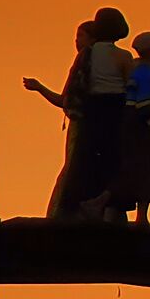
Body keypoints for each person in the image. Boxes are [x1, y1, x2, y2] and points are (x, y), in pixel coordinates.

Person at [65, 8, 133, 220]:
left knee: (87, 161)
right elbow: (131, 85)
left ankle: (82, 205)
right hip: (115, 109)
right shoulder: (123, 56)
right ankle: (109, 206)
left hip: (91, 109)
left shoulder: (87, 54)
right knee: (114, 160)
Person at [22, 20, 92, 218]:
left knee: (74, 169)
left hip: (82, 126)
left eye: (81, 36)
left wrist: (39, 88)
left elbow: (66, 101)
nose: (76, 41)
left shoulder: (85, 63)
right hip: (82, 125)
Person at [112, 29, 150, 223]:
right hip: (142, 129)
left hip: (127, 126)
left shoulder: (133, 69)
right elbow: (146, 107)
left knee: (130, 167)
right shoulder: (147, 72)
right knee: (147, 169)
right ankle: (142, 216)